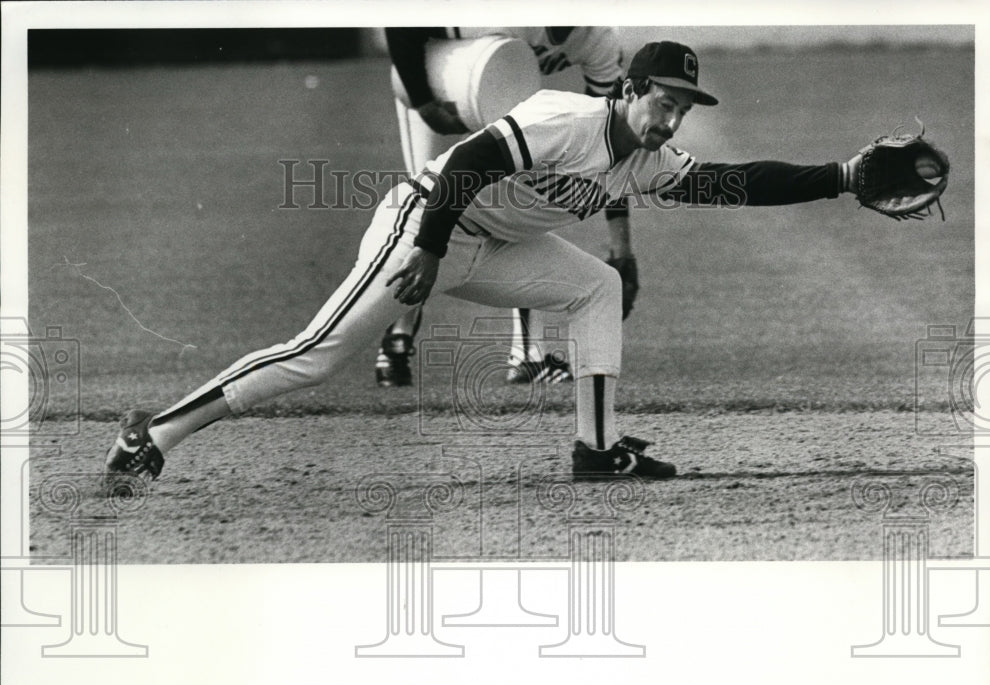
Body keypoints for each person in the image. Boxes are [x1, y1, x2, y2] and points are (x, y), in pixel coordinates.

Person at [105, 41, 866, 483]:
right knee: (318, 356)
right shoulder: (564, 118)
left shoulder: (648, 160)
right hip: (425, 221)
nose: (671, 119)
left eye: (682, 109)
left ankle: (596, 451)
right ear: (629, 90)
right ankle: (155, 435)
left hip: (490, 241)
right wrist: (432, 255)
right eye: (662, 102)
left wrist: (843, 177)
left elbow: (740, 184)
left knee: (597, 285)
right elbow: (466, 160)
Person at [376, 26, 634, 387]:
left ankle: (528, 356)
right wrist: (425, 103)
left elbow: (613, 144)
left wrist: (623, 249)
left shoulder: (597, 39)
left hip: (501, 76)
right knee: (425, 206)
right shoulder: (506, 14)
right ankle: (396, 338)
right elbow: (402, 22)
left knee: (525, 198)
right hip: (433, 76)